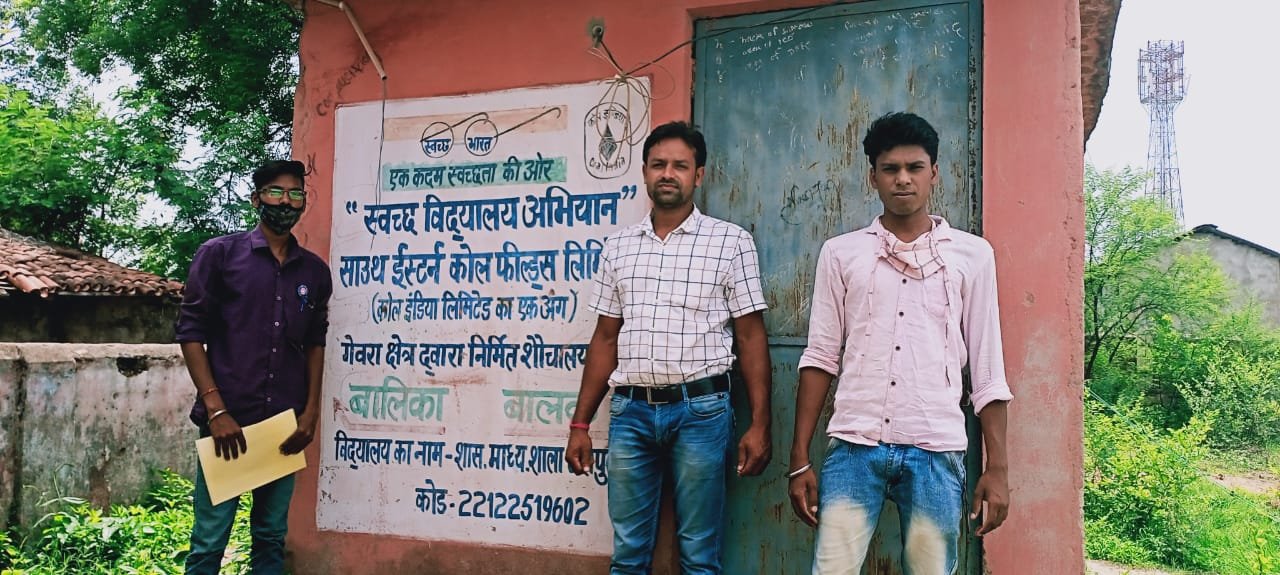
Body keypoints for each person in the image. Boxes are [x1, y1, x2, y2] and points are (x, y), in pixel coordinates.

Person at [787, 112, 1013, 575]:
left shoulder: (972, 256)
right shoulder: (842, 253)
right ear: (873, 176)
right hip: (854, 446)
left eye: (915, 168)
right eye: (890, 169)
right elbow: (821, 357)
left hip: (935, 449)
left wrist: (998, 469)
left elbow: (987, 370)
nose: (903, 179)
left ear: (935, 173)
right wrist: (798, 458)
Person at [563, 121, 773, 574]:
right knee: (628, 553)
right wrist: (581, 422)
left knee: (698, 554)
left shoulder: (730, 242)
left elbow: (751, 336)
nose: (667, 174)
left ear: (699, 175)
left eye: (680, 165)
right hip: (631, 413)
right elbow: (605, 338)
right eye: (658, 164)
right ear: (644, 172)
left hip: (701, 412)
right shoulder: (618, 247)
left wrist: (760, 423)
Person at [175, 159, 332, 574]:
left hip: (283, 426)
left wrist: (310, 413)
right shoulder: (220, 255)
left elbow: (315, 343)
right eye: (276, 192)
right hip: (229, 423)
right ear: (256, 199)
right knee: (209, 541)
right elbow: (190, 333)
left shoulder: (314, 272)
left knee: (270, 536)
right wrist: (216, 410)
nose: (286, 202)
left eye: (295, 194)